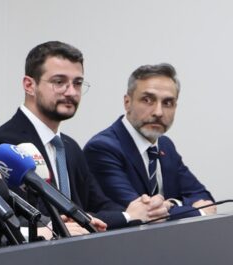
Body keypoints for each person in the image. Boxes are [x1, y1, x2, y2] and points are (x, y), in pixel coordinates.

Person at [0, 41, 163, 231]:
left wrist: (141, 209)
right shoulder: (7, 146)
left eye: (77, 83)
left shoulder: (69, 146)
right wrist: (127, 216)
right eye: (59, 82)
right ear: (29, 85)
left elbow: (99, 204)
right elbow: (37, 222)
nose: (71, 92)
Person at [84, 63, 214, 220]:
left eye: (167, 103)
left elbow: (202, 196)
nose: (158, 112)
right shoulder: (102, 148)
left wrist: (172, 203)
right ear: (127, 102)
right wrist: (199, 212)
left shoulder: (165, 145)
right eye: (147, 100)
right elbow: (144, 214)